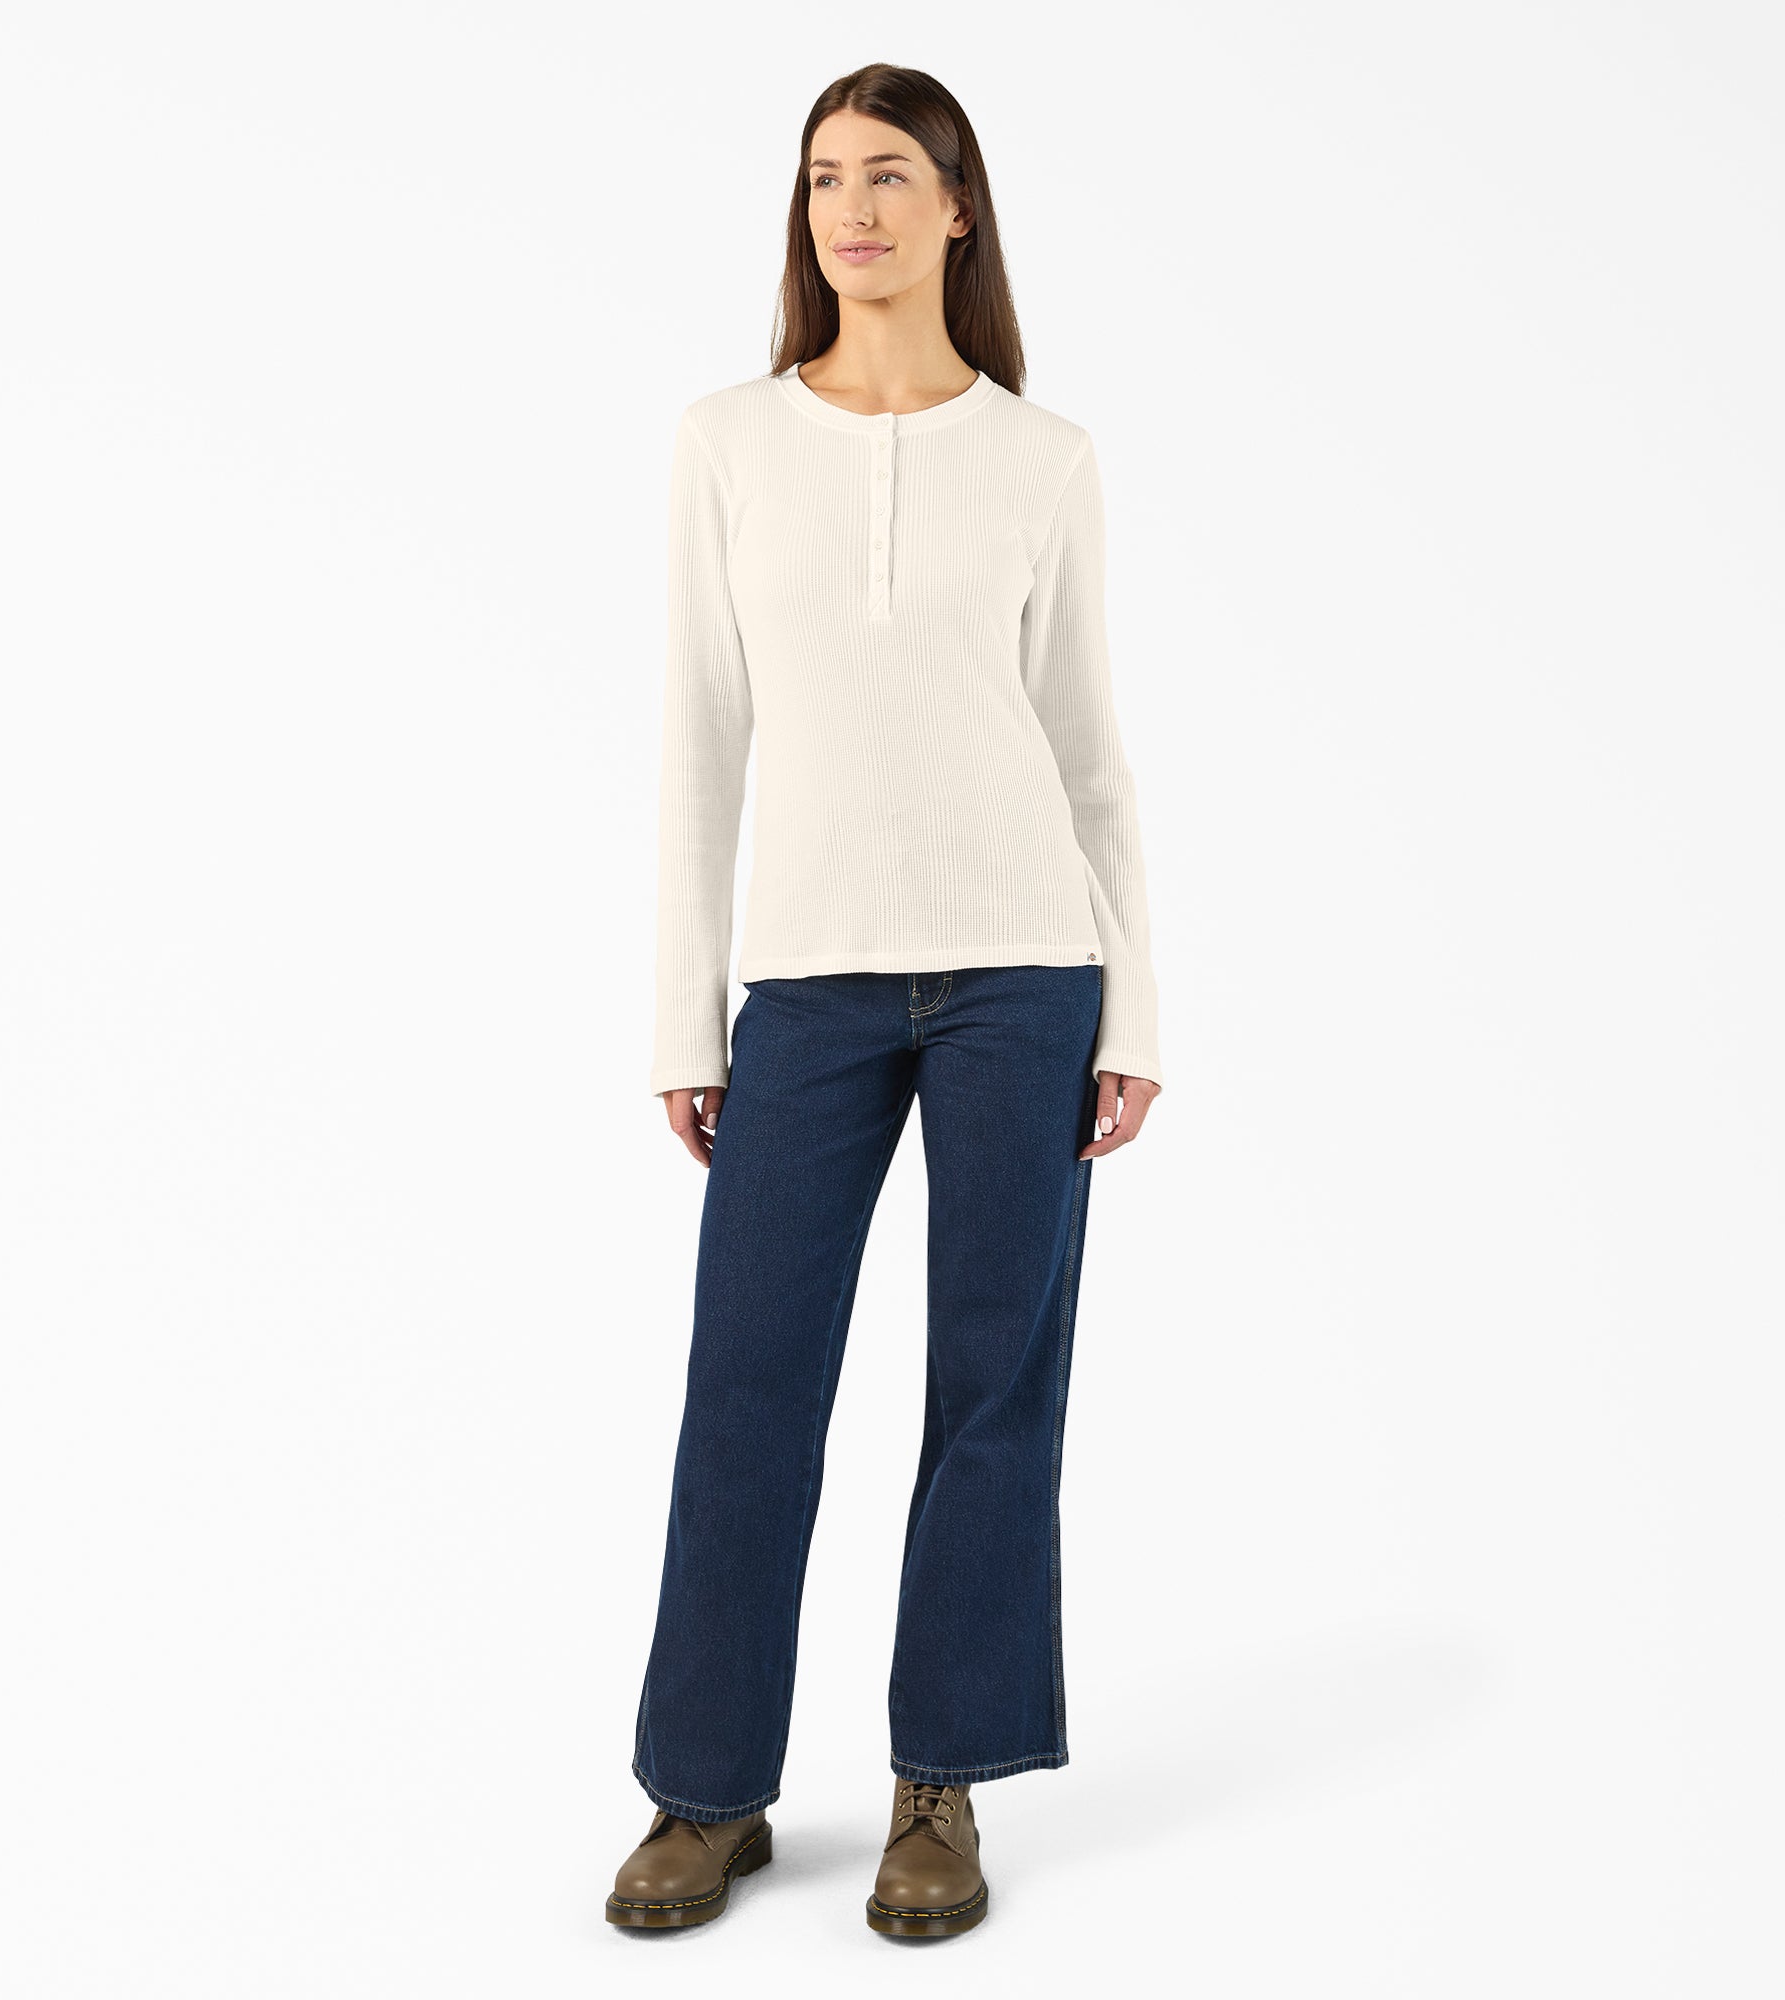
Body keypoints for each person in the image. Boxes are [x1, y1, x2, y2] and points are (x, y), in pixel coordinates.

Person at [607, 61, 1165, 1940]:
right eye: (825, 178)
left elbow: (1088, 752)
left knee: (995, 1383)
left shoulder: (1043, 458)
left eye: (889, 175)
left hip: (1026, 970)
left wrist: (1133, 1005)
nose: (851, 209)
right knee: (749, 1383)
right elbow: (696, 742)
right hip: (811, 984)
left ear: (957, 207)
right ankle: (708, 1790)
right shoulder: (727, 443)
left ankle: (946, 1780)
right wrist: (686, 1019)